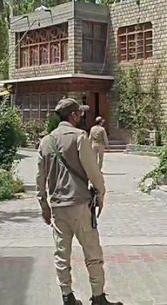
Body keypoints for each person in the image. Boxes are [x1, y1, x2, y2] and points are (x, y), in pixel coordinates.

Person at [37, 98, 123, 305]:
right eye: (79, 114)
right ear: (74, 115)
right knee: (92, 252)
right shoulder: (79, 137)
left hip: (58, 207)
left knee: (61, 254)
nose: (81, 118)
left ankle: (67, 296)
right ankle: (98, 297)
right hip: (80, 205)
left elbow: (40, 178)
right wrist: (101, 193)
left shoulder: (46, 141)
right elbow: (93, 171)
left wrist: (44, 205)